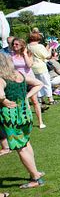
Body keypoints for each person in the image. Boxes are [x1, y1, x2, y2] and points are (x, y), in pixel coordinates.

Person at [0, 54, 46, 189]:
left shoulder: (2, 79)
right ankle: (35, 171)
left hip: (12, 117)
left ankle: (35, 178)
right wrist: (26, 96)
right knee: (26, 142)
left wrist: (5, 101)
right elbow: (39, 83)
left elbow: (1, 95)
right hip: (25, 114)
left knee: (21, 147)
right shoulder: (19, 74)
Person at [10, 38, 43, 128]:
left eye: (16, 44)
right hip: (19, 80)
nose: (14, 46)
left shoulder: (28, 54)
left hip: (30, 79)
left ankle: (40, 122)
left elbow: (29, 65)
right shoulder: (11, 55)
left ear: (22, 45)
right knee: (26, 103)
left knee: (35, 101)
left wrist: (24, 54)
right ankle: (29, 122)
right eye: (13, 44)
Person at [26, 32, 55, 106]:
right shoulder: (39, 46)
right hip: (41, 67)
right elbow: (47, 56)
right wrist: (51, 48)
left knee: (37, 84)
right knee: (46, 83)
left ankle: (41, 99)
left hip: (32, 68)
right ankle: (50, 99)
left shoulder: (28, 46)